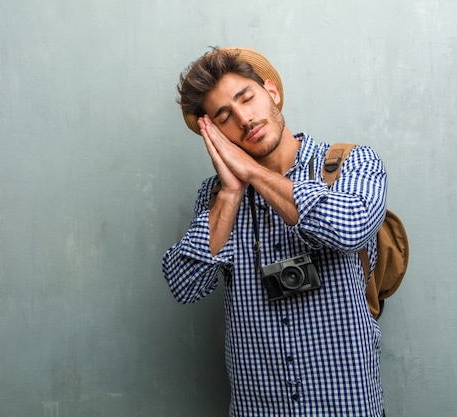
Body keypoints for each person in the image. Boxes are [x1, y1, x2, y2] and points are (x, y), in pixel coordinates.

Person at [162, 47, 387, 417]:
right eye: (225, 117)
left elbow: (350, 229)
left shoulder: (352, 162)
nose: (244, 119)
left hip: (346, 404)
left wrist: (253, 173)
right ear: (216, 133)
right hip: (257, 407)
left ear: (271, 91)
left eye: (246, 98)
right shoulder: (216, 196)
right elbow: (184, 286)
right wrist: (232, 192)